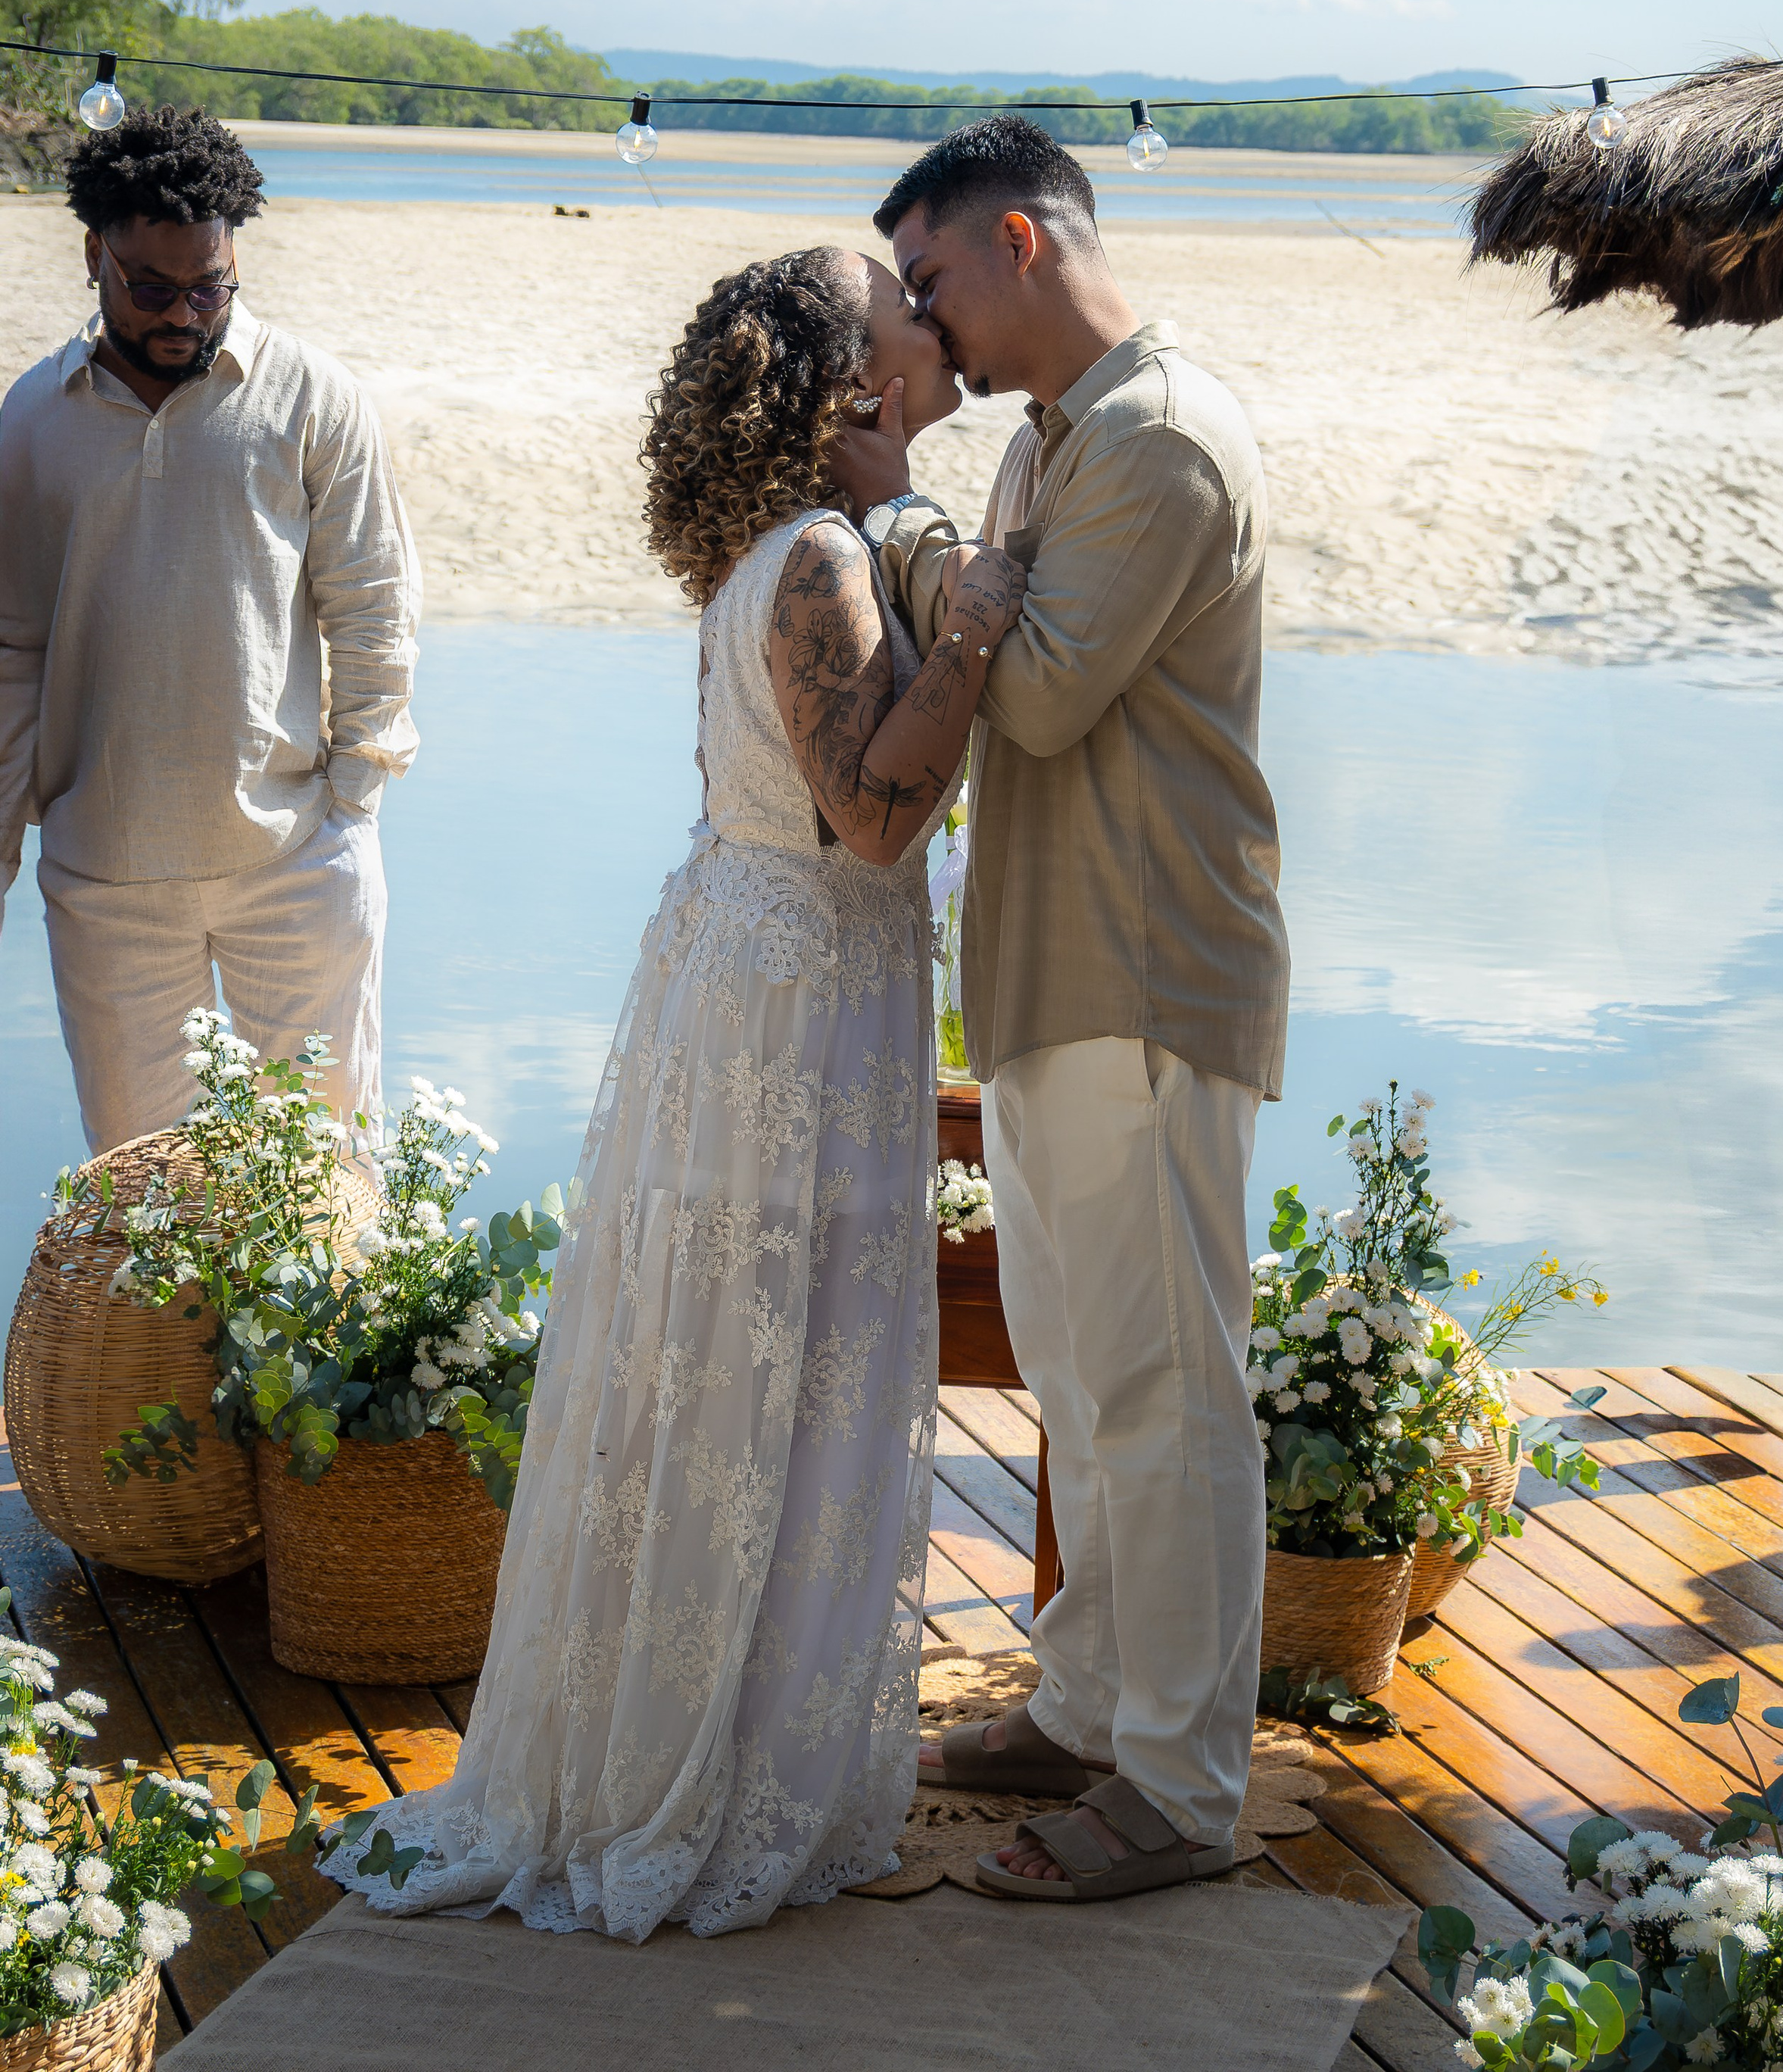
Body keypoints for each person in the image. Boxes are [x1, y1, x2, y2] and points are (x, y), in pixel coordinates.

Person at [325, 247, 1024, 1939]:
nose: (917, 339)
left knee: (745, 1360)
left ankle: (718, 1733)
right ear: (839, 382)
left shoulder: (775, 549)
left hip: (766, 969)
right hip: (792, 992)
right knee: (770, 1363)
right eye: (890, 325)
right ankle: (702, 1766)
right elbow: (871, 817)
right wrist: (980, 639)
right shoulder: (813, 561)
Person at [831, 113, 1291, 1905]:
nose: (924, 328)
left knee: (1167, 1386)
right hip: (1053, 966)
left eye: (932, 279)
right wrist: (955, 558)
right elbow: (994, 656)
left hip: (1150, 966)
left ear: (1018, 241)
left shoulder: (1158, 437)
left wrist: (903, 519)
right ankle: (1092, 1703)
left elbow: (1025, 701)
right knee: (1085, 1374)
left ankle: (1177, 1790)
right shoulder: (1058, 436)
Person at [0, 107, 419, 1152]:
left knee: (325, 1194)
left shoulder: (315, 396)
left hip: (296, 866)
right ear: (94, 253)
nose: (186, 312)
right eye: (153, 288)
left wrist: (351, 807)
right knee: (145, 1211)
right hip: (105, 882)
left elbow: (373, 606)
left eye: (212, 285)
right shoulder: (29, 421)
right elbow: (11, 651)